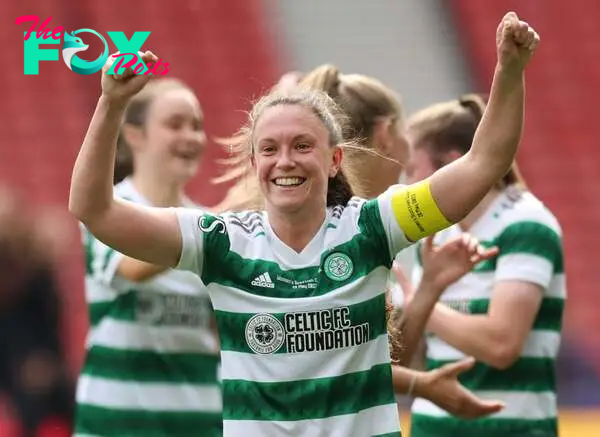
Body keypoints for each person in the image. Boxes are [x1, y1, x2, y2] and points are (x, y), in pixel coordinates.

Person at [68, 12, 539, 437]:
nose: (285, 161)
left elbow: (483, 163)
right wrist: (110, 105)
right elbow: (95, 210)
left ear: (335, 159)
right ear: (254, 163)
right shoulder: (218, 240)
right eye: (269, 149)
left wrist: (508, 72)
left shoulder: (374, 226)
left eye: (302, 145)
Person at [217, 63, 504, 420]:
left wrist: (428, 290)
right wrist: (419, 384)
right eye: (404, 131)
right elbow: (315, 368)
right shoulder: (343, 224)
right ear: (386, 133)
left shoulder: (369, 225)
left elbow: (367, 356)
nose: (407, 150)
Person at [396, 92, 565, 437]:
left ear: (452, 164)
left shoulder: (526, 223)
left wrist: (421, 301)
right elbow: (409, 360)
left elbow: (501, 346)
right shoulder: (438, 234)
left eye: (413, 170)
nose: (407, 185)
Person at [75, 78, 222, 436]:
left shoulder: (208, 223)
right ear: (135, 136)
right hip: (115, 425)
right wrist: (224, 219)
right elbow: (133, 269)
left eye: (197, 126)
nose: (190, 136)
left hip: (198, 423)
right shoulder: (106, 209)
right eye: (175, 124)